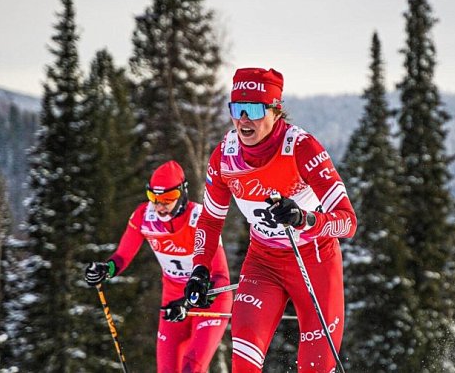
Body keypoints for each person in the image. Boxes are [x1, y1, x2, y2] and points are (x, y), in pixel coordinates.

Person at [183, 67, 357, 372]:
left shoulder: (302, 148)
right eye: (236, 110)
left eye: (252, 110)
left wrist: (304, 218)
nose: (243, 120)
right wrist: (199, 269)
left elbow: (347, 221)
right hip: (263, 263)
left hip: (314, 262)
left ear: (275, 111)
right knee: (244, 361)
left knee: (316, 367)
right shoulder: (225, 156)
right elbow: (210, 221)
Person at [84, 160, 233, 373]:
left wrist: (189, 303)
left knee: (191, 368)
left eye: (167, 199)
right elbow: (122, 256)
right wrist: (105, 270)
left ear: (182, 194)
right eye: (154, 198)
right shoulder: (145, 217)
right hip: (173, 299)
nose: (160, 206)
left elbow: (220, 277)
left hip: (209, 302)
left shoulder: (200, 219)